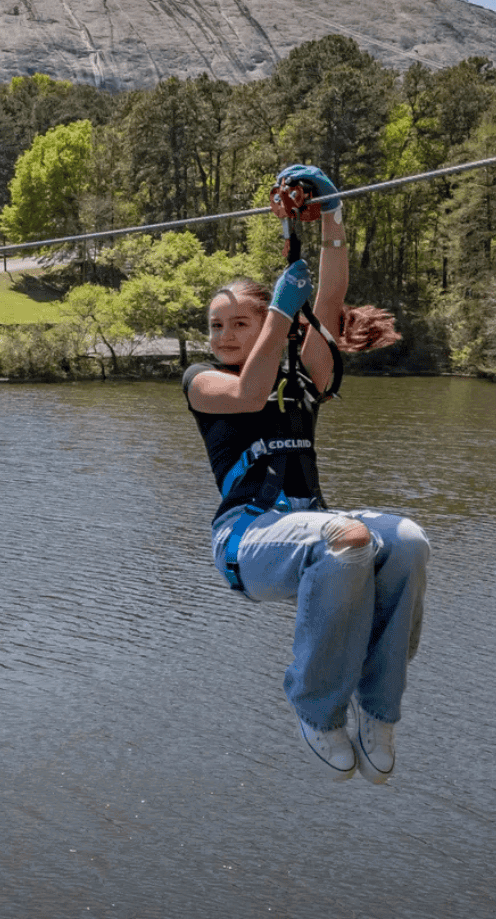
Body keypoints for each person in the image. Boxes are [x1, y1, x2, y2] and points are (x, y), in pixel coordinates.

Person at [182, 164, 430, 785]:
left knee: (407, 541)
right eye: (217, 325)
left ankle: (378, 709)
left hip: (308, 525)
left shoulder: (305, 373)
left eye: (239, 322)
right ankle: (317, 708)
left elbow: (329, 300)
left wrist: (333, 221)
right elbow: (248, 393)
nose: (224, 334)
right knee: (346, 537)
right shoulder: (204, 382)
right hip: (247, 539)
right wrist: (277, 314)